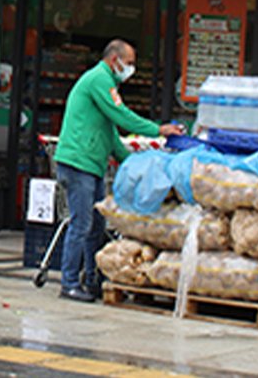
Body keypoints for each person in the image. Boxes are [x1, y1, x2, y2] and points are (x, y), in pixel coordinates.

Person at [54, 39, 183, 303]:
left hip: (91, 164)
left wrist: (134, 161)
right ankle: (68, 282)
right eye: (130, 63)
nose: (131, 69)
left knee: (96, 225)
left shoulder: (103, 82)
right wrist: (158, 130)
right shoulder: (99, 79)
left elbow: (110, 132)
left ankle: (93, 278)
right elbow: (122, 116)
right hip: (79, 163)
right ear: (115, 60)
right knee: (81, 224)